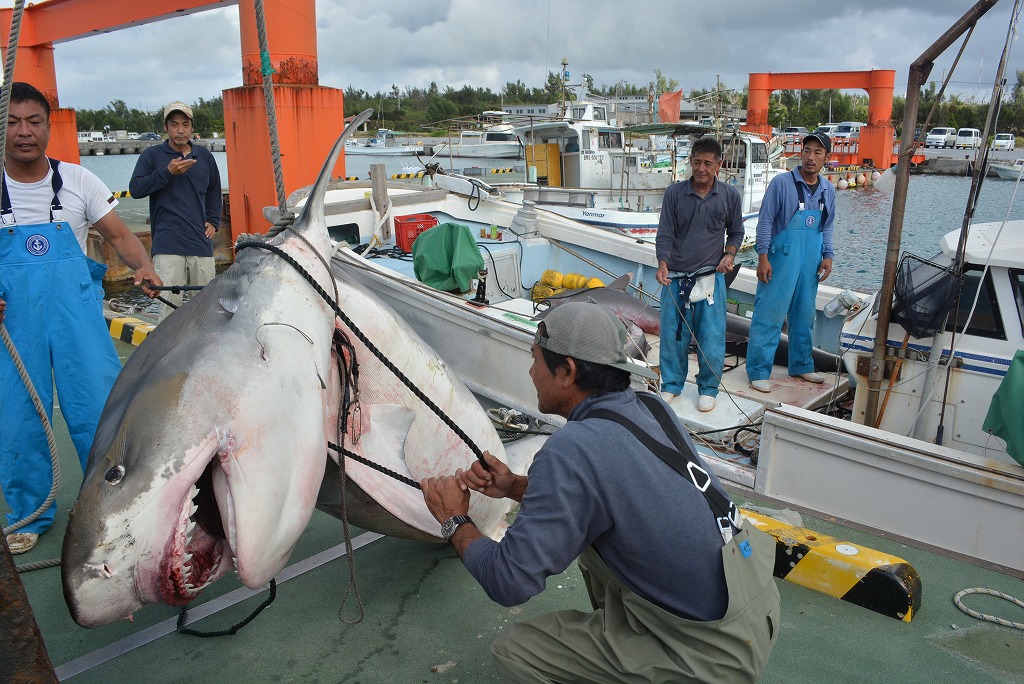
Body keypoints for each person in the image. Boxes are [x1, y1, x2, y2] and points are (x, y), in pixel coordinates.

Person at [421, 301, 781, 683]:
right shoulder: (651, 406)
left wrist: (454, 520)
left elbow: (509, 581)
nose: (531, 371)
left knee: (516, 652)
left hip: (708, 655)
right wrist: (513, 486)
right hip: (755, 612)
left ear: (567, 371)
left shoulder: (572, 449)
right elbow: (608, 493)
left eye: (535, 360)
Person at [0, 82, 161, 554]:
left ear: (49, 127)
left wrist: (143, 266)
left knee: (99, 413)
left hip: (78, 322)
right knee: (18, 420)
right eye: (11, 122)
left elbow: (119, 235)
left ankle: (109, 503)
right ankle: (29, 513)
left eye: (33, 122)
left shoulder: (78, 181)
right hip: (12, 327)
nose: (23, 132)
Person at [655, 137, 743, 413]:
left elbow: (737, 231)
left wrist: (729, 255)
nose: (701, 168)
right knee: (672, 336)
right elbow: (665, 234)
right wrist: (662, 263)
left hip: (710, 279)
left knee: (712, 338)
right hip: (676, 278)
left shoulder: (729, 195)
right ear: (690, 162)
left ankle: (708, 388)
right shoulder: (674, 194)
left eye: (707, 163)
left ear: (718, 165)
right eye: (696, 162)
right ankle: (671, 384)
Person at [746, 131, 836, 393]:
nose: (811, 157)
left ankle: (802, 365)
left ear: (826, 158)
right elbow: (764, 220)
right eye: (807, 150)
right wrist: (762, 256)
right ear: (801, 153)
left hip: (811, 261)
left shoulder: (828, 190)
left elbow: (827, 227)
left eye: (818, 152)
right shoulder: (781, 183)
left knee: (804, 315)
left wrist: (828, 255)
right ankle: (758, 371)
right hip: (781, 258)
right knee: (769, 315)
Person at [129, 100, 222, 321]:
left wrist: (213, 221)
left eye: (185, 124)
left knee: (207, 309)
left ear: (192, 127)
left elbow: (214, 190)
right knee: (170, 310)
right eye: (174, 124)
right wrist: (167, 173)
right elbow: (136, 189)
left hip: (200, 243)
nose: (180, 130)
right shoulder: (152, 156)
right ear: (165, 127)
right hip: (168, 244)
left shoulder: (204, 156)